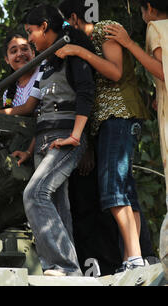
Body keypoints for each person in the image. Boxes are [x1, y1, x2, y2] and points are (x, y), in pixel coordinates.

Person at [56, 0, 152, 272]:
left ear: (73, 18)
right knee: (125, 191)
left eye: (64, 25)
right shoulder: (89, 41)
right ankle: (134, 257)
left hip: (118, 117)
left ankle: (133, 257)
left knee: (113, 190)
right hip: (107, 122)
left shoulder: (105, 30)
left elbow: (115, 71)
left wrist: (79, 51)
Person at [3, 4, 96, 276]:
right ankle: (71, 273)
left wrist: (76, 136)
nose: (29, 39)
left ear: (44, 26)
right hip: (44, 139)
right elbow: (42, 110)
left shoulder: (71, 51)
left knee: (34, 194)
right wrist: (30, 150)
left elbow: (86, 93)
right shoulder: (47, 60)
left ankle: (62, 266)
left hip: (65, 137)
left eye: (31, 32)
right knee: (56, 205)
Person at [103, 0, 167, 277]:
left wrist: (129, 43)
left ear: (149, 8)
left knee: (117, 188)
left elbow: (163, 70)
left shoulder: (155, 27)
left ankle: (134, 256)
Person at [0, 33, 38, 165]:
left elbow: (28, 108)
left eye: (25, 49)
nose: (20, 54)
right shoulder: (8, 92)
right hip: (21, 153)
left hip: (44, 140)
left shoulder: (42, 73)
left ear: (33, 53)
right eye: (14, 51)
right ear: (7, 59)